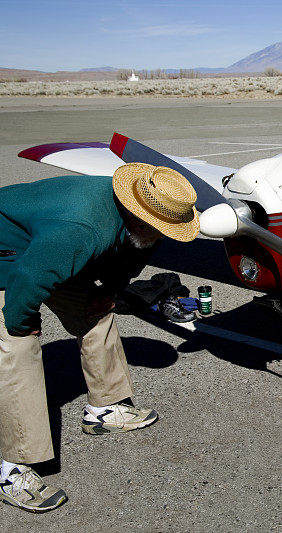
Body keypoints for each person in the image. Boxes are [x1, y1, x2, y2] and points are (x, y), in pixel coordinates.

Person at [0, 163, 200, 513]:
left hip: (44, 249)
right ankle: (11, 467)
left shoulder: (148, 216)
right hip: (11, 255)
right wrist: (20, 322)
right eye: (161, 229)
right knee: (18, 347)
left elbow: (131, 257)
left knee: (96, 310)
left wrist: (108, 291)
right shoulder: (80, 229)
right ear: (138, 216)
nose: (166, 236)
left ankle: (104, 409)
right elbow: (29, 276)